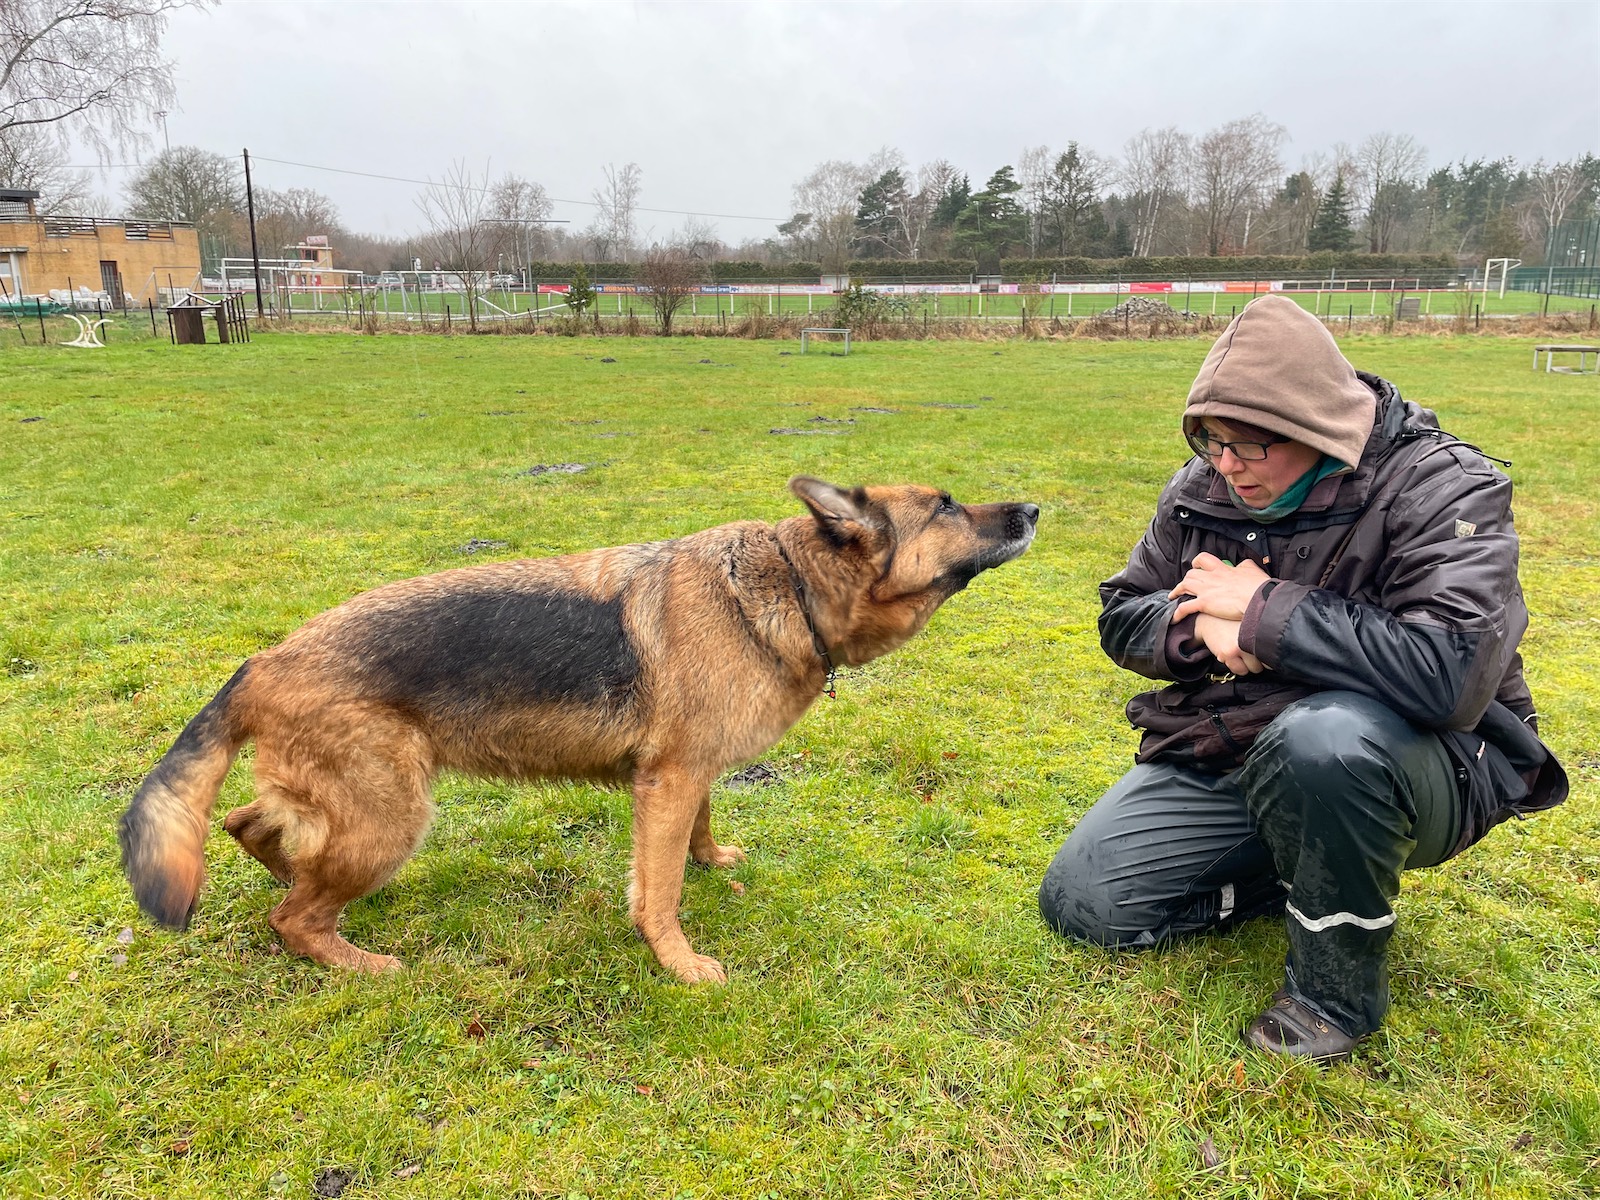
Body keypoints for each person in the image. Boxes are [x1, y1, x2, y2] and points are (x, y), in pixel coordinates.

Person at [1038, 294, 1568, 1063]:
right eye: (1211, 440)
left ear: (1317, 428)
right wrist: (1210, 634)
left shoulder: (1446, 487)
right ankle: (1296, 871)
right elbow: (1123, 613)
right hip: (1236, 744)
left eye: (1249, 446)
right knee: (1088, 906)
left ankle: (1332, 999)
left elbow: (1451, 676)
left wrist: (1262, 613)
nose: (1225, 465)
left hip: (1423, 762)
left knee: (1324, 739)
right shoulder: (1201, 487)